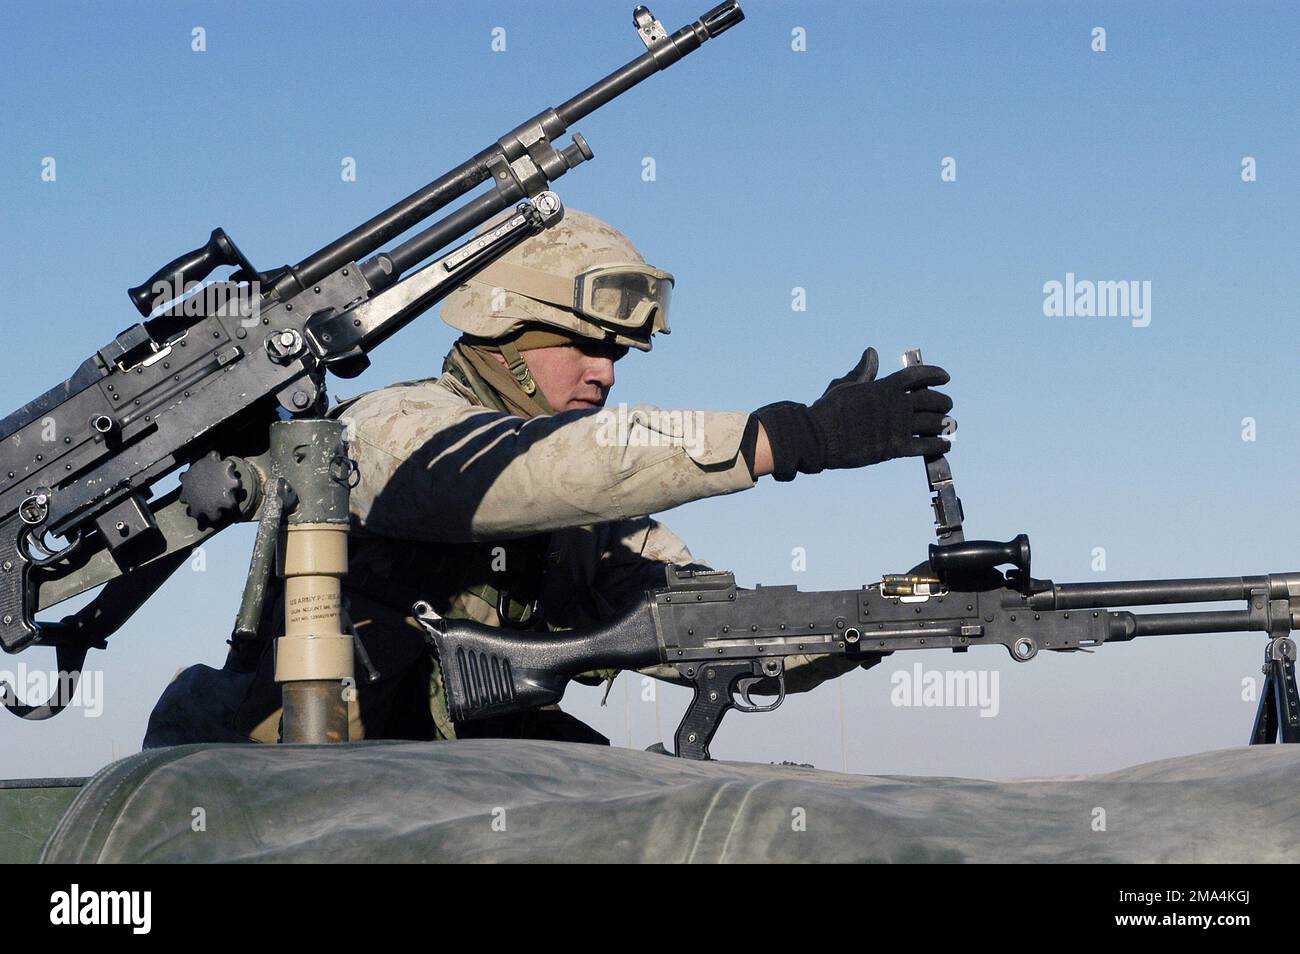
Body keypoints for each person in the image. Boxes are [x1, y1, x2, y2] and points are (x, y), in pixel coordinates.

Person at [144, 209, 952, 747]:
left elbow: (725, 631)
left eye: (618, 354)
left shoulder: (590, 527)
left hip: (463, 789)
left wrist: (909, 601)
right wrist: (787, 437)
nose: (605, 372)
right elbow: (543, 470)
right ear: (505, 333)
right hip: (313, 789)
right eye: (586, 344)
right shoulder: (391, 430)